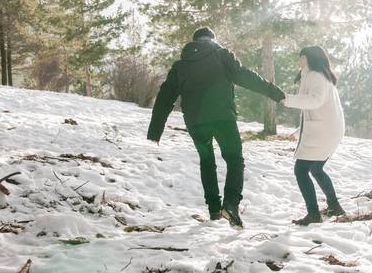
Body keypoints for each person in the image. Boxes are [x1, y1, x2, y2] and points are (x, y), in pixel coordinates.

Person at [147, 27, 285, 229]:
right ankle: (230, 205)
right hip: (222, 119)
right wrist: (274, 92)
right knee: (234, 159)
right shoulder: (221, 55)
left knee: (207, 161)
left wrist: (155, 130)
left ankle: (213, 209)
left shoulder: (181, 65)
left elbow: (165, 96)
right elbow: (245, 76)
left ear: (194, 42)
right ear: (212, 39)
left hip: (196, 122)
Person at [281, 46, 346, 225]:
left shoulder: (316, 76)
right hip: (327, 129)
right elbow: (313, 109)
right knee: (316, 169)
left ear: (309, 58)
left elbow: (314, 101)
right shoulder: (312, 74)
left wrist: (287, 99)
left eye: (302, 57)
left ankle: (314, 214)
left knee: (300, 170)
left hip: (324, 131)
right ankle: (334, 206)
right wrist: (299, 131)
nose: (299, 60)